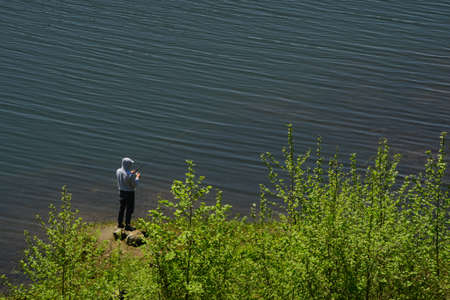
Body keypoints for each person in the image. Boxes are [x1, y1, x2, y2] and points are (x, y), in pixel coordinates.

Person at [116, 157, 141, 231]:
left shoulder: (118, 171)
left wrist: (131, 173)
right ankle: (127, 225)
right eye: (130, 164)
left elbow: (125, 175)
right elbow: (134, 185)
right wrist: (137, 177)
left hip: (121, 192)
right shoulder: (130, 175)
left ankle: (120, 224)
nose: (131, 166)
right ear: (128, 165)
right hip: (129, 193)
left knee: (122, 208)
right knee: (129, 209)